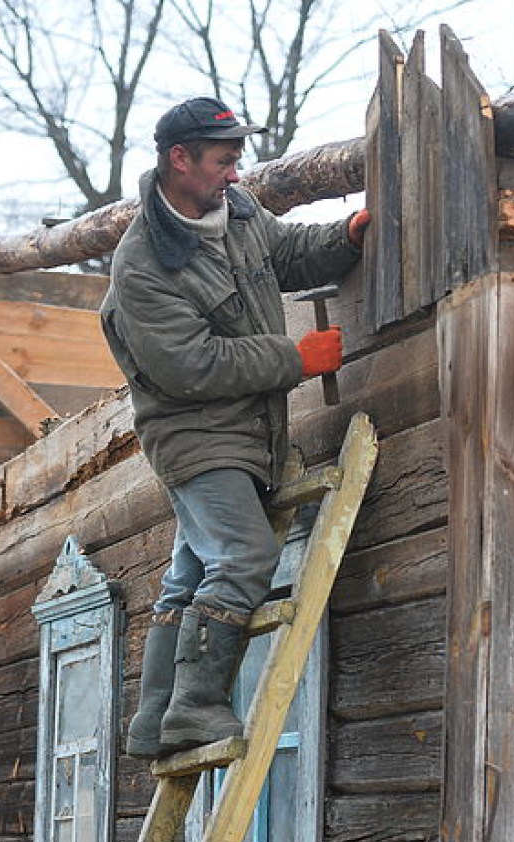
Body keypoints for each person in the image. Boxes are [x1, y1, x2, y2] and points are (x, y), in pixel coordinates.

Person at [101, 96, 370, 758]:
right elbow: (188, 366)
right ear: (180, 160)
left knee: (191, 571)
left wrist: (348, 235)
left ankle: (155, 718)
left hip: (249, 432)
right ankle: (195, 705)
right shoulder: (143, 264)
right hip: (196, 440)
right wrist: (294, 359)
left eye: (237, 160)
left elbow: (290, 253)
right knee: (246, 554)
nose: (235, 173)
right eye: (223, 161)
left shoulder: (241, 212)